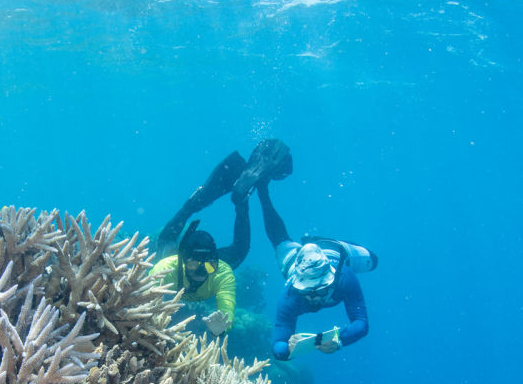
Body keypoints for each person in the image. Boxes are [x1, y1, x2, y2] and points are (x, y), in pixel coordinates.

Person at [151, 142, 294, 335]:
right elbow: (144, 299)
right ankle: (243, 198)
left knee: (237, 249)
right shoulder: (167, 267)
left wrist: (221, 326)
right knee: (239, 249)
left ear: (216, 263)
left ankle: (249, 191)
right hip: (176, 256)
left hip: (193, 260)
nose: (201, 271)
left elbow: (227, 311)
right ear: (182, 262)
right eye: (194, 265)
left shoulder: (221, 272)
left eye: (209, 266)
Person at [256, 170, 376, 360]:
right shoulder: (289, 295)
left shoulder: (345, 277)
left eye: (319, 291)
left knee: (373, 260)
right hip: (297, 259)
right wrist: (288, 348)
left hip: (334, 251)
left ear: (332, 281)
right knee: (279, 241)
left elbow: (362, 323)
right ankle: (262, 190)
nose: (312, 298)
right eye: (306, 292)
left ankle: (319, 240)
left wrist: (340, 340)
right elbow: (277, 346)